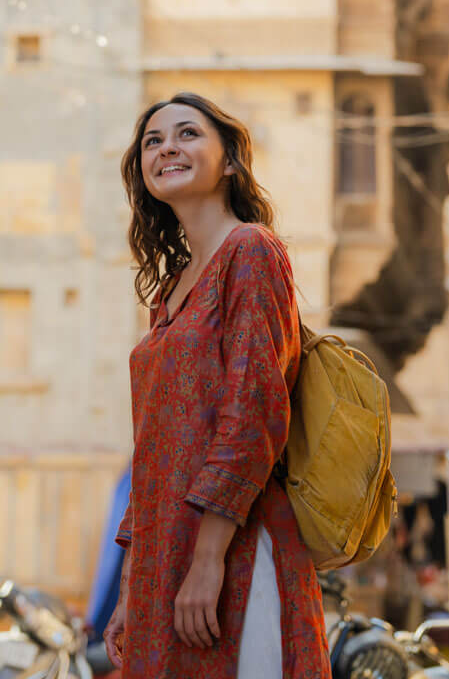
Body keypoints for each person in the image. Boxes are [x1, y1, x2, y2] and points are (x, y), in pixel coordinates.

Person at [103, 92, 326, 679]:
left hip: (235, 549)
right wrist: (133, 585)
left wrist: (207, 562)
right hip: (163, 558)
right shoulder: (168, 293)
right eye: (153, 141)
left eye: (187, 134)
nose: (167, 147)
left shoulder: (250, 252)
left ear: (229, 162)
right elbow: (151, 451)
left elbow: (253, 414)